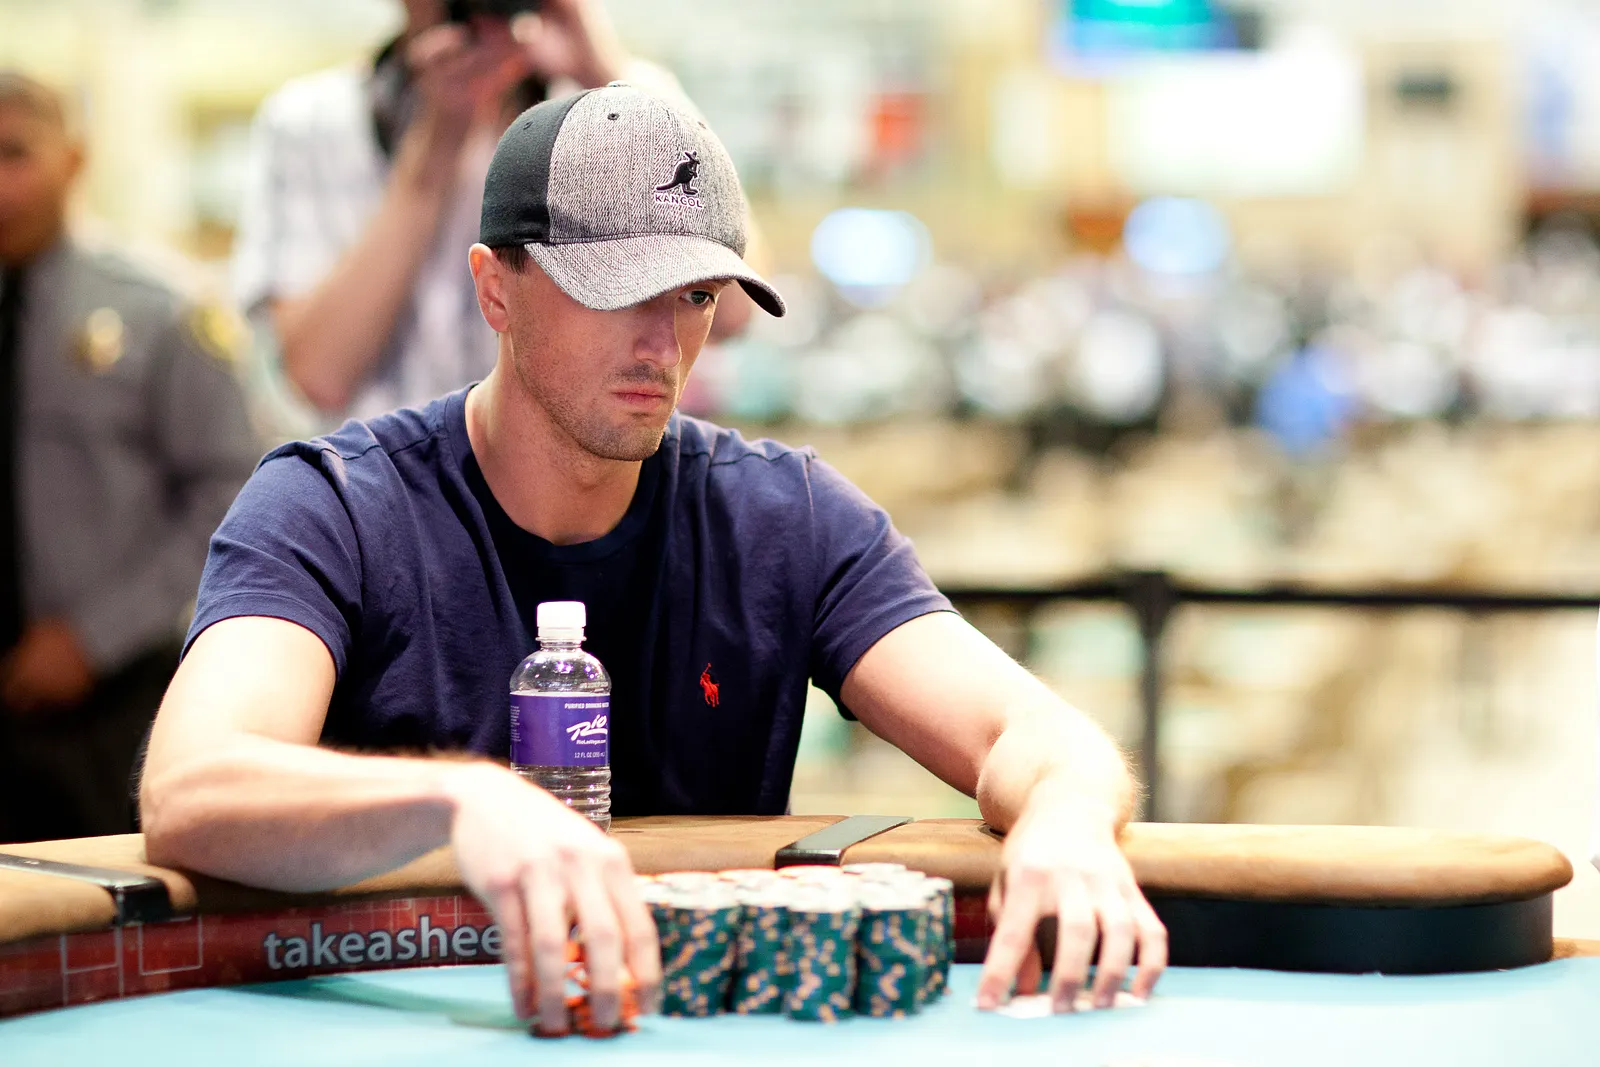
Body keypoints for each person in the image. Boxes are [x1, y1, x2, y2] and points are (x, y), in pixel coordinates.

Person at [140, 84, 1166, 1036]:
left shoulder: (784, 517)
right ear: (495, 290)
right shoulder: (335, 505)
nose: (663, 345)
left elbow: (1035, 736)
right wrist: (465, 799)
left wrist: (1065, 822)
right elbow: (191, 787)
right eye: (617, 290)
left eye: (695, 296)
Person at [233, 0, 753, 423]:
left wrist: (606, 73)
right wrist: (433, 151)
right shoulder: (314, 123)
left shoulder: (623, 99)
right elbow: (318, 377)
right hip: (385, 493)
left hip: (580, 488)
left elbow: (733, 310)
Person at [0, 73, 259, 843]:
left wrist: (94, 637)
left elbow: (231, 494)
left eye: (16, 154)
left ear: (74, 159)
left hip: (110, 699)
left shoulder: (159, 309)